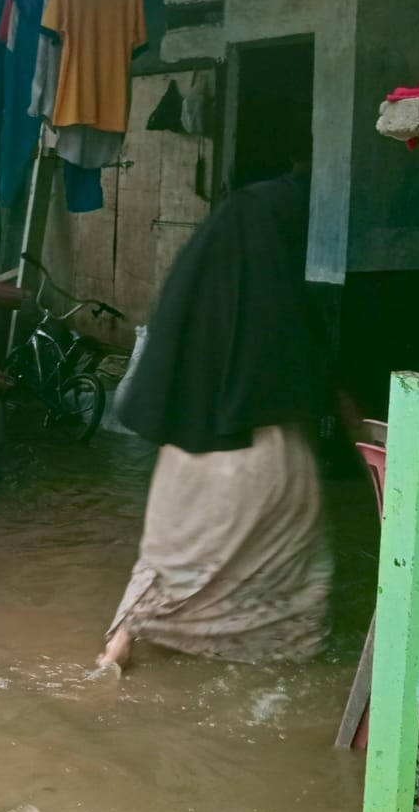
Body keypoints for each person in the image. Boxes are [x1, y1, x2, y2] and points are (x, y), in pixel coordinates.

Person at [97, 157, 332, 671]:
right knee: (287, 589)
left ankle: (126, 640)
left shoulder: (198, 291)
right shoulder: (279, 308)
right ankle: (269, 678)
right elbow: (313, 376)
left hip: (189, 457)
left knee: (168, 566)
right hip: (264, 456)